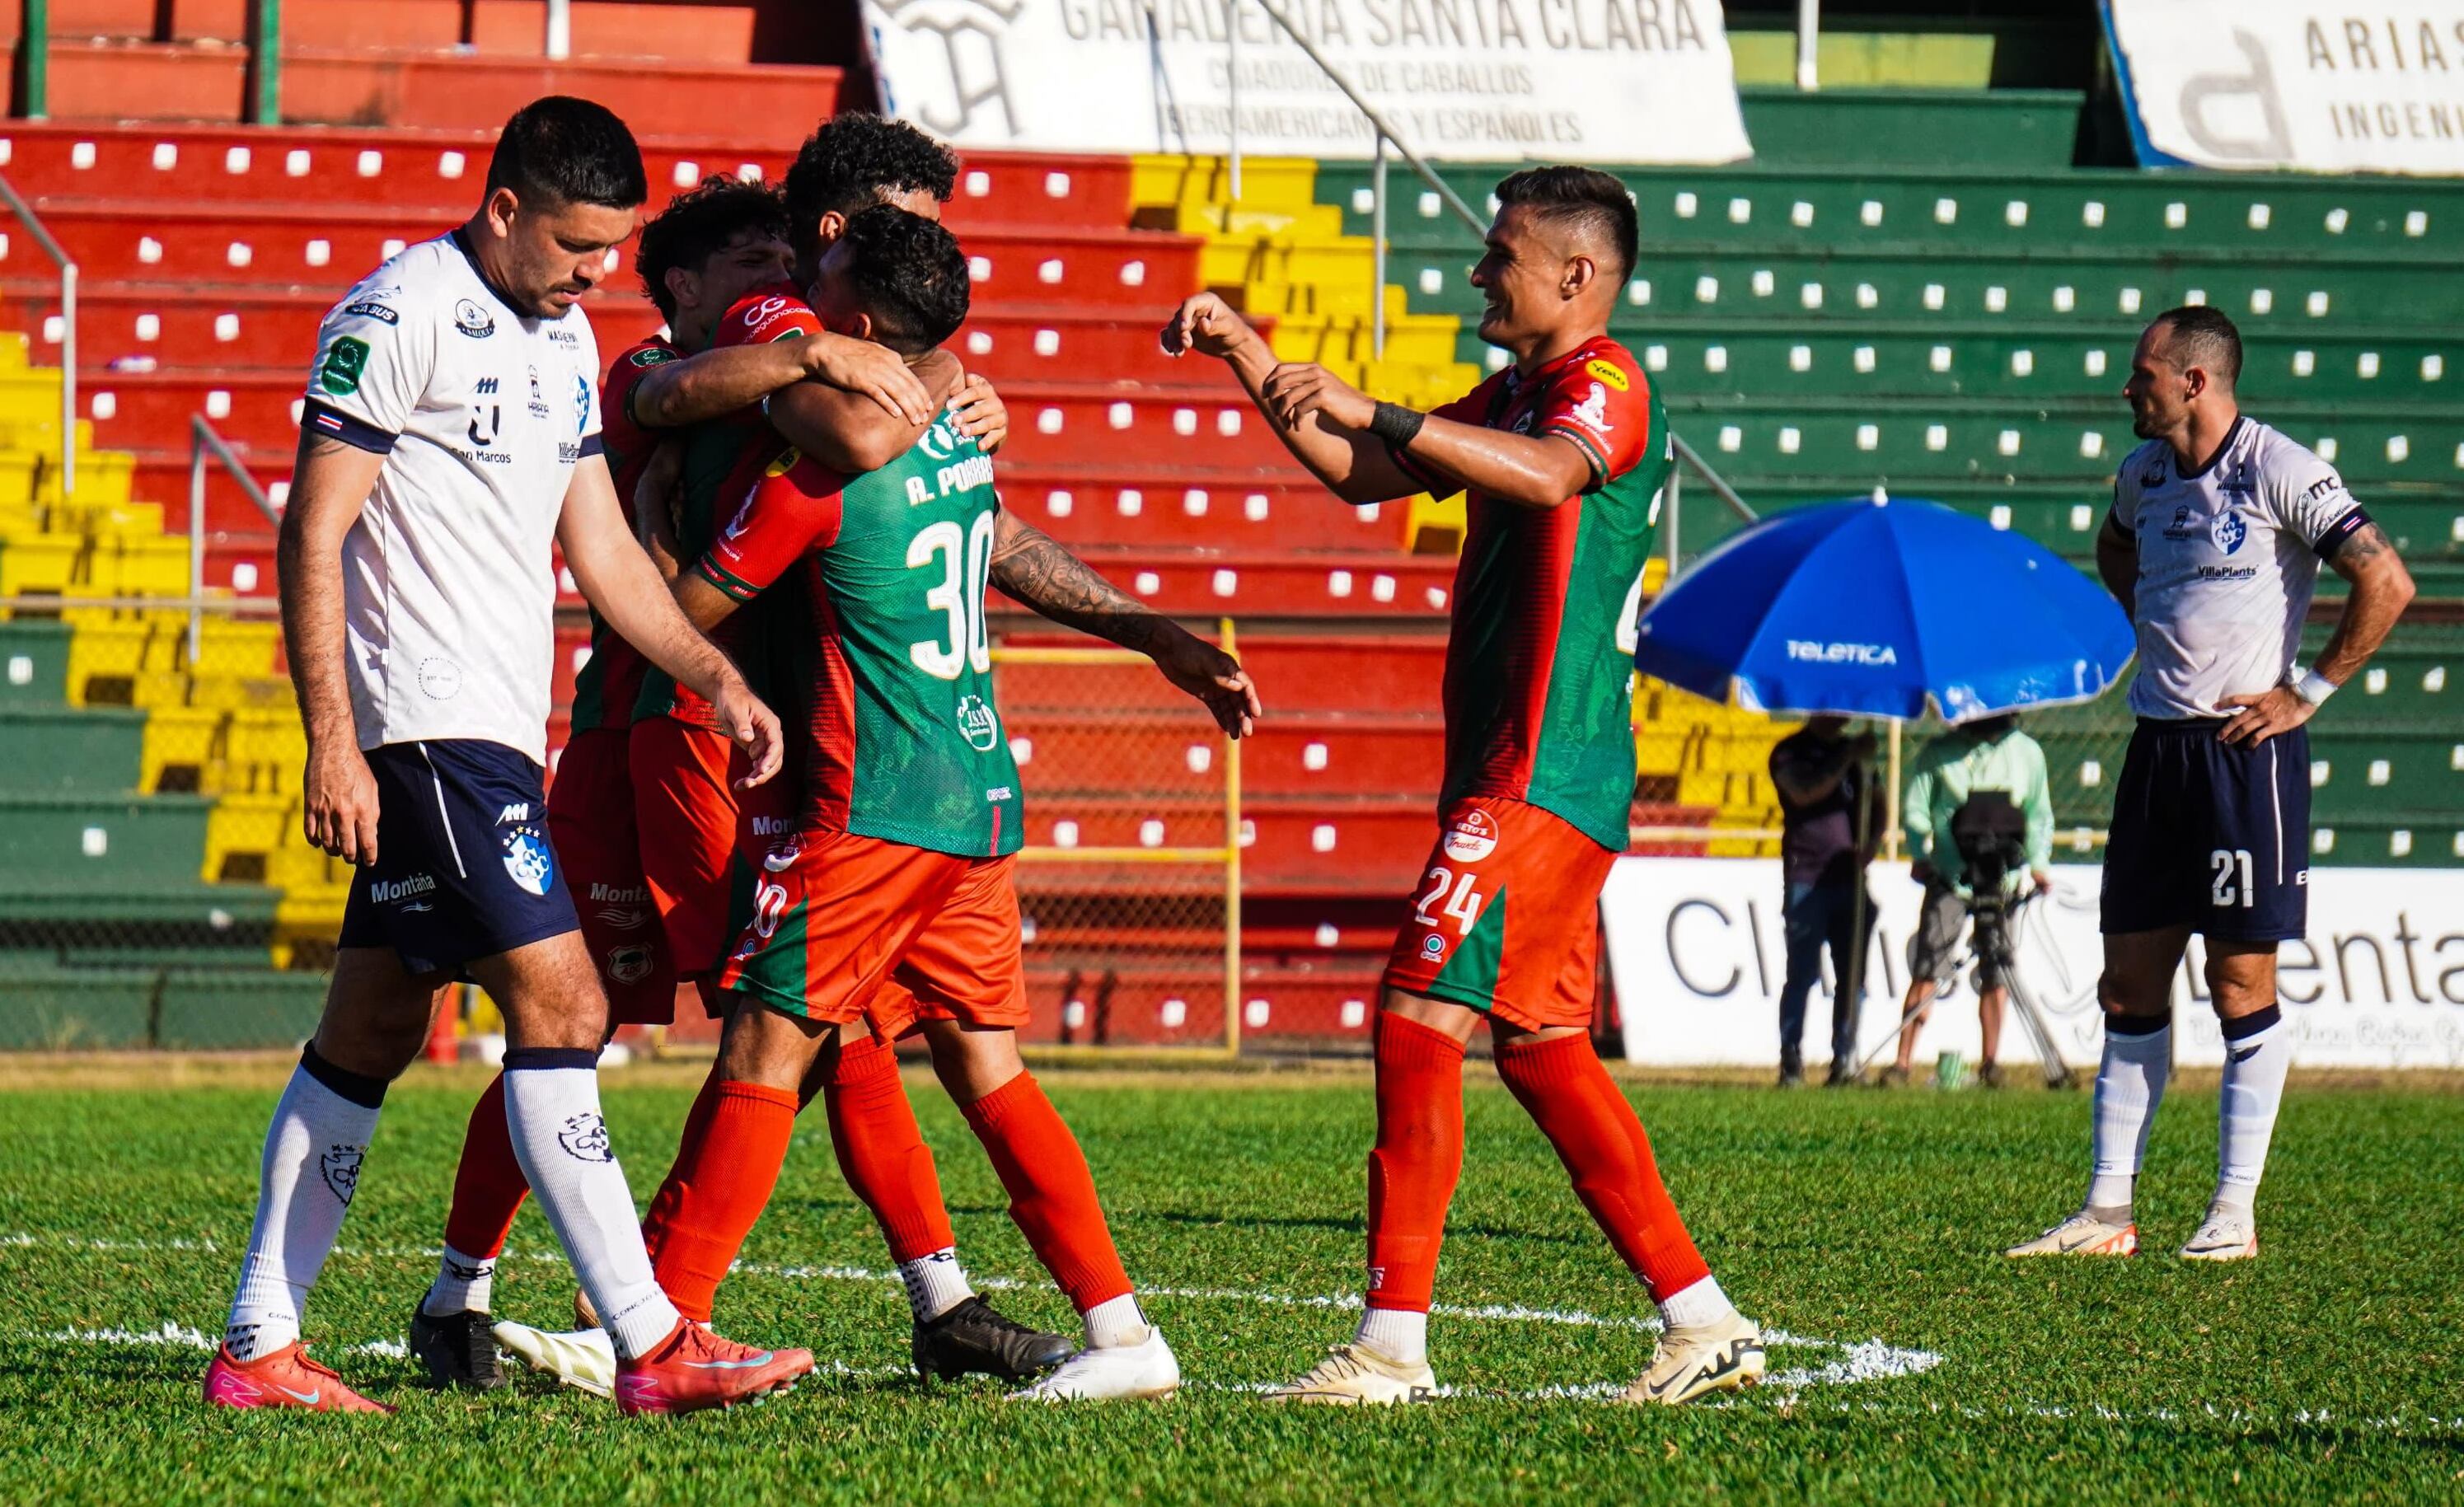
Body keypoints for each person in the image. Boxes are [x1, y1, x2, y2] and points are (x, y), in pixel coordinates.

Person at [203, 96, 812, 1417]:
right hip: (422, 732)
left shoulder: (565, 335)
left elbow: (597, 546)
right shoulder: (398, 310)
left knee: (369, 1026)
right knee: (567, 1007)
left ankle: (258, 1347)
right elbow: (313, 527)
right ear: (505, 210)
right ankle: (653, 1344)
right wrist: (333, 741)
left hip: (485, 737)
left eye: (616, 246)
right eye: (581, 244)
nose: (602, 270)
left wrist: (709, 670)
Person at [408, 173, 1061, 1390]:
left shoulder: (795, 361)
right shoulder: (662, 361)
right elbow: (669, 395)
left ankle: (479, 1298)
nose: (772, 286)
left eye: (785, 263)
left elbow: (875, 443)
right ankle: (557, 1304)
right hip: (667, 729)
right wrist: (849, 360)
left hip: (723, 731)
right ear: (688, 285)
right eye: (749, 266)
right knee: (754, 1009)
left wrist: (952, 390)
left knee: (758, 1008)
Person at [1164, 166, 1764, 1406]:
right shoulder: (1518, 390)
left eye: (1502, 254)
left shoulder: (1603, 384)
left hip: (1539, 766)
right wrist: (1247, 352)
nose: (1480, 272)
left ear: (1577, 276)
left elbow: (1545, 476)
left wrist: (1377, 404)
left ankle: (1390, 1346)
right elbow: (1360, 471)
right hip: (1520, 765)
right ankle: (1702, 1318)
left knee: (1415, 1018)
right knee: (1539, 1047)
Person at [658, 204, 1255, 1399]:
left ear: (861, 324)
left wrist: (648, 510)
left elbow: (684, 609)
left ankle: (659, 1317)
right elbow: (1001, 540)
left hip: (872, 802)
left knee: (768, 1042)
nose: (796, 292)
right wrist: (1156, 636)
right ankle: (1123, 1335)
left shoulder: (827, 466)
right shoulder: (960, 439)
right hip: (977, 793)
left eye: (818, 274)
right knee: (988, 1069)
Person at [2007, 307, 2414, 1261]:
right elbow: (2117, 547)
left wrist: (2304, 690)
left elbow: (2383, 579)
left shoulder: (2279, 468)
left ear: (2194, 381)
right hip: (2157, 748)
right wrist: (2148, 612)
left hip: (2243, 752)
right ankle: (2105, 1213)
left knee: (2237, 980)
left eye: (2140, 373)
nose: (2125, 389)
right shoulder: (2141, 475)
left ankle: (2232, 1209)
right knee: (2128, 981)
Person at [1886, 712, 2054, 1088]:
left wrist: (2039, 865)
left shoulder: (2027, 754)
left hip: (2003, 882)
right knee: (1929, 967)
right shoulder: (1939, 753)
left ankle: (1991, 1063)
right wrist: (1920, 855)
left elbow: (2038, 815)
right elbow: (1916, 810)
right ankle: (1902, 1063)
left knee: (1998, 970)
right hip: (1950, 876)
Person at [1768, 715, 1882, 1087]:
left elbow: (1877, 804)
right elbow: (1805, 793)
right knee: (1801, 974)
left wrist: (1872, 845)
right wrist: (1848, 756)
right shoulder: (1789, 752)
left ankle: (1845, 1057)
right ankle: (1791, 1059)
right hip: (1806, 878)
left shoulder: (1856, 756)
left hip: (1849, 879)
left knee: (1852, 976)